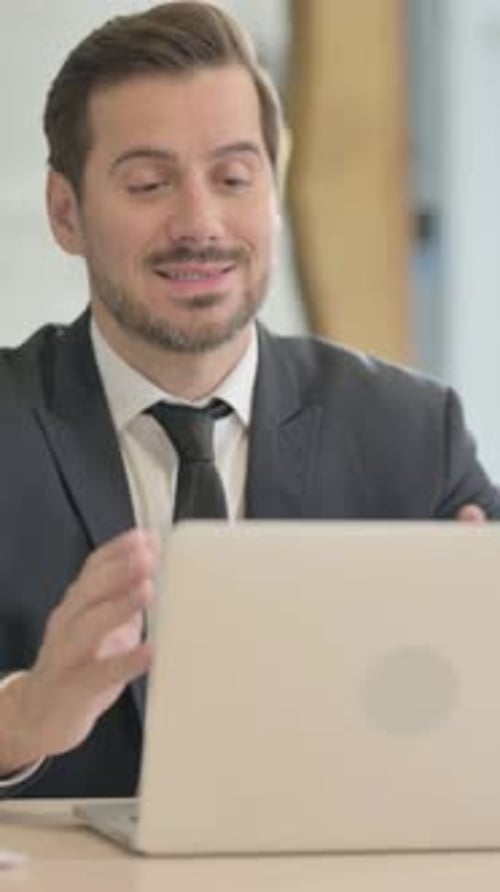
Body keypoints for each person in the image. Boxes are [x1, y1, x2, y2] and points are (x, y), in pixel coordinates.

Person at [0, 1, 498, 800]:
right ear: (67, 212)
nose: (199, 223)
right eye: (149, 183)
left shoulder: (411, 434)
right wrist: (21, 717)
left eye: (233, 178)